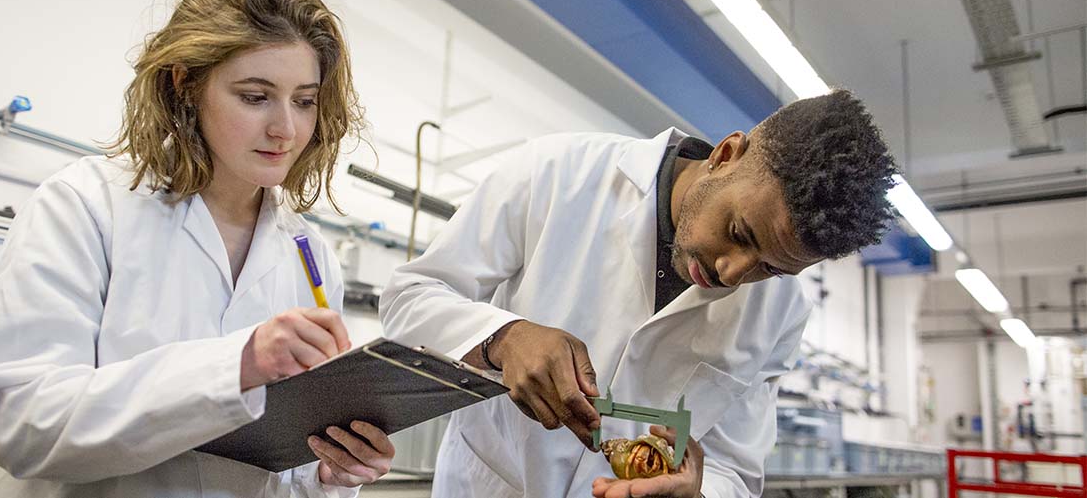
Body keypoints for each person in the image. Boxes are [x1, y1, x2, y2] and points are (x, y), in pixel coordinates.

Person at [0, 0, 394, 498]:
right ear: (185, 84)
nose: (287, 128)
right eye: (255, 96)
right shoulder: (88, 206)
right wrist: (237, 365)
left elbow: (275, 469)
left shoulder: (309, 254)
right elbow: (12, 418)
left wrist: (329, 471)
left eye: (304, 100)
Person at [379, 90, 898, 498]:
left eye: (771, 268)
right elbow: (409, 297)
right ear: (725, 155)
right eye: (740, 233)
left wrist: (696, 491)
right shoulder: (559, 174)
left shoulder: (781, 315)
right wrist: (502, 337)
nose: (732, 273)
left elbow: (736, 471)